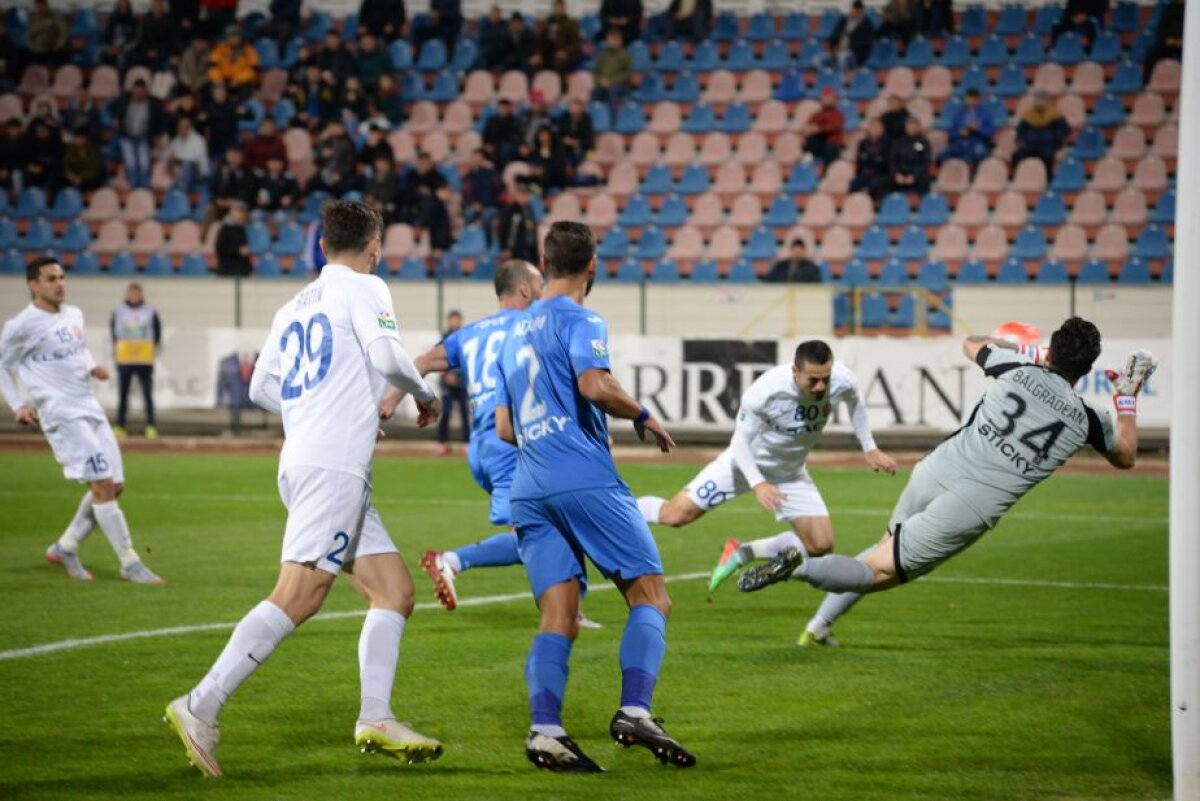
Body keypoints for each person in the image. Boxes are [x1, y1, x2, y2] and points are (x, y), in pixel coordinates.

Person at [164, 201, 444, 777]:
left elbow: (264, 385)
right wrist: (425, 393)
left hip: (309, 460)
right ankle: (201, 703)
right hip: (333, 465)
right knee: (301, 593)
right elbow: (389, 356)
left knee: (393, 591)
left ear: (322, 245)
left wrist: (318, 406)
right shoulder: (367, 288)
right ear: (374, 247)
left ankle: (376, 716)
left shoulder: (295, 304)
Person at [738, 319, 1151, 648]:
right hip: (969, 504)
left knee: (883, 549)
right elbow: (1127, 455)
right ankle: (798, 567)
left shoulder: (1015, 367)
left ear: (1051, 349)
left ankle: (819, 626)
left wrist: (1030, 351)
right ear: (1087, 368)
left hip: (936, 469)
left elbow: (971, 342)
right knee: (878, 573)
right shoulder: (1087, 418)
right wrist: (1127, 395)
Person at [493, 221, 694, 772]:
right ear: (592, 266)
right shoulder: (583, 318)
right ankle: (635, 709)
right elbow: (594, 385)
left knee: (559, 616)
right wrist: (645, 415)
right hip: (581, 476)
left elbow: (504, 427)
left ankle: (546, 731)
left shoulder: (510, 332)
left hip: (528, 487)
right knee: (651, 597)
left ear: (544, 262)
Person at [637, 340, 895, 593]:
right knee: (675, 515)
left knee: (821, 546)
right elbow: (739, 442)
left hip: (790, 473)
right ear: (795, 372)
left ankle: (743, 552)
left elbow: (856, 401)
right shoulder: (768, 390)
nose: (820, 387)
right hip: (742, 466)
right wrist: (758, 482)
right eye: (812, 380)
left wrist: (869, 447)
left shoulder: (842, 380)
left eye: (825, 379)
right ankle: (614, 508)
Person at [0, 257, 164, 584]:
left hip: (88, 404)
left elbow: (78, 348)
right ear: (34, 284)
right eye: (51, 278)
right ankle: (130, 562)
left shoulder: (74, 313)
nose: (59, 283)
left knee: (115, 485)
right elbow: (3, 365)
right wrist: (18, 404)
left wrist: (92, 367)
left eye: (61, 276)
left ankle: (66, 546)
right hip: (61, 412)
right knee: (102, 484)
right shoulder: (21, 325)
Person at [110, 283, 161, 439]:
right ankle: (120, 426)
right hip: (125, 360)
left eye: (137, 294)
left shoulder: (151, 311)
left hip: (144, 360)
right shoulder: (118, 311)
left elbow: (157, 333)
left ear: (141, 295)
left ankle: (151, 426)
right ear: (127, 295)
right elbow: (113, 332)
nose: (135, 296)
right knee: (123, 395)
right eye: (132, 294)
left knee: (147, 394)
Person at [110, 79, 167, 190]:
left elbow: (160, 120)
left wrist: (158, 136)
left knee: (144, 165)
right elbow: (110, 107)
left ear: (145, 91)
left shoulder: (153, 103)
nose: (138, 94)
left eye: (141, 91)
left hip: (143, 137)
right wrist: (115, 119)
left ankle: (144, 190)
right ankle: (134, 189)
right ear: (133, 90)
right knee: (131, 164)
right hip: (127, 136)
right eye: (136, 91)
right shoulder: (124, 99)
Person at [1011, 90, 1071, 179]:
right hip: (1030, 145)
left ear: (1047, 101)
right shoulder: (1028, 115)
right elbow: (1021, 130)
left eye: (1041, 100)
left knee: (1047, 157)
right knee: (1016, 155)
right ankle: (1019, 177)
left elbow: (1065, 130)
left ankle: (1047, 179)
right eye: (1037, 100)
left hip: (1048, 144)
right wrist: (1021, 138)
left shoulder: (1055, 115)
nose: (1038, 102)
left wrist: (1055, 138)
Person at [434, 310, 469, 456]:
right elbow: (436, 359)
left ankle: (467, 443)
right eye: (452, 320)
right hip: (447, 384)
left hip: (462, 384)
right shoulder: (444, 338)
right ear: (449, 321)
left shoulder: (466, 337)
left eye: (457, 320)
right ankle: (442, 443)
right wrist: (446, 375)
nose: (455, 323)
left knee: (465, 414)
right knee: (446, 413)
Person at [939, 88, 996, 169]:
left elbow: (990, 132)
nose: (970, 101)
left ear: (978, 100)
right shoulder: (959, 114)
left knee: (979, 152)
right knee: (942, 153)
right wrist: (959, 133)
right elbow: (951, 132)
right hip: (960, 142)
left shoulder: (986, 114)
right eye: (968, 98)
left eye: (973, 99)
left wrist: (978, 129)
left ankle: (974, 177)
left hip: (977, 143)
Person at [532, 0, 582, 79]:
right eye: (556, 8)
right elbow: (542, 40)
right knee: (536, 63)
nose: (557, 10)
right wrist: (538, 53)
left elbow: (576, 43)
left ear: (564, 9)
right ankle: (539, 87)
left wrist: (565, 52)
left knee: (558, 62)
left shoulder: (571, 23)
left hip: (566, 53)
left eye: (559, 8)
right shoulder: (548, 22)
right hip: (549, 52)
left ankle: (560, 87)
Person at [887, 115, 931, 197]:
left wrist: (914, 176)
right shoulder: (898, 141)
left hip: (916, 175)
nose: (911, 127)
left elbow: (925, 162)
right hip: (900, 174)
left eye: (914, 125)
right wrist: (896, 174)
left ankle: (924, 206)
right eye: (909, 125)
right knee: (885, 182)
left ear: (918, 127)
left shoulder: (923, 142)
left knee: (924, 181)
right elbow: (892, 160)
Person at [498, 178, 540, 264]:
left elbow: (533, 230)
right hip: (515, 250)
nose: (523, 197)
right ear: (516, 195)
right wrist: (505, 248)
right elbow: (503, 229)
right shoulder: (510, 210)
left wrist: (535, 254)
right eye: (521, 194)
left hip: (529, 248)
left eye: (526, 194)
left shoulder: (530, 209)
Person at [802, 87, 845, 168]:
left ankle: (827, 171)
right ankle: (807, 160)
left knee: (830, 147)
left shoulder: (838, 115)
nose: (827, 100)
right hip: (819, 144)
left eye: (829, 98)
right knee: (811, 139)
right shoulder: (817, 114)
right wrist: (809, 129)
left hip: (832, 146)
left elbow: (833, 127)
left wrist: (819, 129)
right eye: (825, 97)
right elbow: (808, 127)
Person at [826, 0, 874, 70]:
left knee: (841, 60)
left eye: (856, 10)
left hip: (854, 55)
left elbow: (865, 45)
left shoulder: (866, 25)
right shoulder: (844, 20)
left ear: (861, 11)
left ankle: (838, 77)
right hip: (837, 50)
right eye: (853, 10)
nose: (854, 12)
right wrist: (835, 47)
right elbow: (834, 36)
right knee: (821, 59)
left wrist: (847, 48)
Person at [167, 117, 211, 194]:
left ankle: (182, 188)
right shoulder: (176, 141)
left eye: (185, 126)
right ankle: (173, 186)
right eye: (180, 126)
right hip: (181, 170)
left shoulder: (198, 140)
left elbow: (196, 158)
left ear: (190, 128)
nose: (182, 129)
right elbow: (169, 155)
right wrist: (172, 159)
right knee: (170, 163)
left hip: (199, 171)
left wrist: (178, 158)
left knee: (188, 163)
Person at [1143, 0, 1183, 83]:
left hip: (1184, 45)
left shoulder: (1191, 11)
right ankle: (1147, 83)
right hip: (1167, 43)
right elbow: (1161, 28)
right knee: (1151, 53)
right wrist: (1166, 40)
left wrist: (1180, 41)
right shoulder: (1170, 8)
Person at [850, 117, 889, 200]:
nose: (875, 129)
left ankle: (871, 207)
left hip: (881, 174)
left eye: (877, 127)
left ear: (882, 129)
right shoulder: (863, 143)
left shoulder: (888, 143)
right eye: (873, 127)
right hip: (865, 173)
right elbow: (860, 161)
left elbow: (886, 162)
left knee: (875, 184)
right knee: (854, 183)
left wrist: (872, 160)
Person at [215, 202, 253, 277]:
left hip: (242, 270)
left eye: (242, 212)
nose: (240, 215)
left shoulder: (243, 230)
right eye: (238, 212)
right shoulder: (225, 229)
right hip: (228, 269)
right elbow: (220, 248)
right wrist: (237, 250)